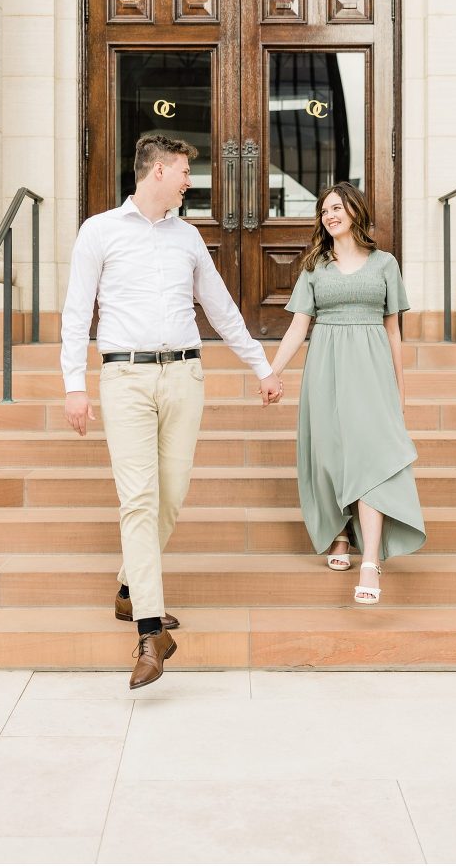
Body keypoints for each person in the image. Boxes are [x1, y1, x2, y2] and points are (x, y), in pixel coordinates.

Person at [61, 133, 282, 687]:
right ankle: (150, 632)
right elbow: (74, 312)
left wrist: (262, 367)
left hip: (184, 374)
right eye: (185, 170)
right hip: (125, 377)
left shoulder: (188, 239)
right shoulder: (100, 231)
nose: (190, 179)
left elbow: (223, 309)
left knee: (171, 494)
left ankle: (128, 587)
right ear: (157, 171)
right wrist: (73, 384)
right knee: (137, 498)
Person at [270, 182, 425, 604]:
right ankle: (339, 531)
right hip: (326, 367)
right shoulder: (314, 266)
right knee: (331, 452)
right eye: (324, 211)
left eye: (336, 207)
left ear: (355, 210)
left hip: (372, 370)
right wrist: (273, 372)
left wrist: (400, 391)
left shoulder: (385, 264)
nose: (329, 215)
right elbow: (298, 326)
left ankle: (371, 560)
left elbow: (394, 332)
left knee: (371, 458)